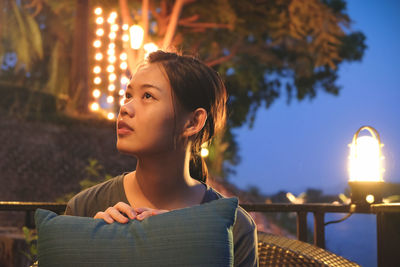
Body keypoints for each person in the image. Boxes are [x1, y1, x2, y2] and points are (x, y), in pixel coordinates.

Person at [65, 50, 258, 266]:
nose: (125, 108)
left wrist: (182, 250)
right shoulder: (85, 209)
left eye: (147, 96)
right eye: (128, 95)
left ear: (192, 122)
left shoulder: (235, 228)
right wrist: (92, 250)